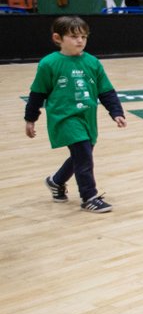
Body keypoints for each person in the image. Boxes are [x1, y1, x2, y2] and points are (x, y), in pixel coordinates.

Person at [23, 16, 127, 213]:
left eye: (83, 36)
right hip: (65, 118)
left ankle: (56, 181)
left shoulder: (92, 62)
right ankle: (89, 197)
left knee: (81, 155)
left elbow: (106, 91)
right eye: (74, 36)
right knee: (83, 155)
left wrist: (116, 112)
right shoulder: (49, 64)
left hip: (87, 117)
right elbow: (37, 93)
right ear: (58, 38)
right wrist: (30, 119)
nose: (80, 41)